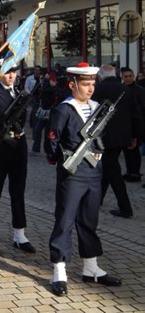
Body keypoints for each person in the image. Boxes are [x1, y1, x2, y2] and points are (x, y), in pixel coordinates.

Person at [45, 62, 122, 297]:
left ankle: (91, 268)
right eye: (85, 84)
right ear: (72, 84)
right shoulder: (64, 110)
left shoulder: (98, 108)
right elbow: (52, 141)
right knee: (65, 220)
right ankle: (59, 270)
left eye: (92, 84)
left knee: (89, 220)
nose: (90, 89)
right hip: (73, 174)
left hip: (94, 172)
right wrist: (64, 159)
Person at [0, 59, 36, 256]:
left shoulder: (20, 93)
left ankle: (20, 235)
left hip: (18, 148)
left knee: (18, 192)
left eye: (14, 72)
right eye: (7, 72)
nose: (11, 76)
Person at [92, 64, 141, 218]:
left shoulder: (99, 89)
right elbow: (136, 114)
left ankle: (125, 208)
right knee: (108, 167)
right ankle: (97, 199)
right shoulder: (126, 89)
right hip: (124, 136)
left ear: (101, 76)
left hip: (105, 137)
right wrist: (135, 136)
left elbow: (93, 113)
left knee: (113, 172)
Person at [120, 67, 145, 182]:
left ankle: (135, 172)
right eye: (126, 76)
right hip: (125, 124)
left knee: (134, 149)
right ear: (122, 77)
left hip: (136, 123)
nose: (128, 78)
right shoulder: (121, 89)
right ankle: (129, 171)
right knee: (126, 149)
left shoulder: (139, 90)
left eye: (130, 76)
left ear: (133, 76)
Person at [32, 72, 60, 153]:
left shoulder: (53, 88)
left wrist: (53, 86)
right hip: (42, 110)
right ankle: (36, 148)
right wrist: (39, 83)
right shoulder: (42, 85)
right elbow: (34, 92)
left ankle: (47, 149)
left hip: (50, 111)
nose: (45, 80)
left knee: (46, 132)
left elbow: (57, 94)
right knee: (37, 131)